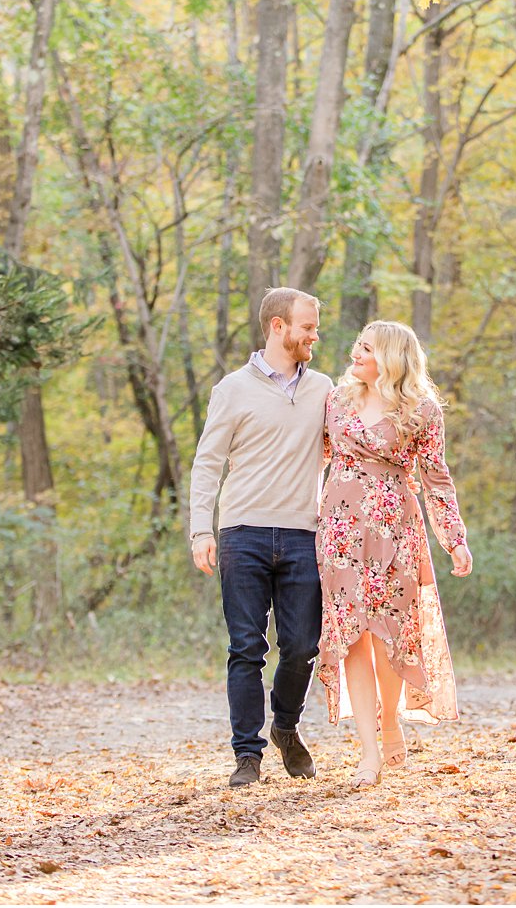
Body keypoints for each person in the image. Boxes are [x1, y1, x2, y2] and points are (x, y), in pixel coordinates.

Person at [316, 320, 472, 788]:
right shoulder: (336, 401)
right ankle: (368, 750)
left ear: (391, 358)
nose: (355, 354)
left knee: (390, 633)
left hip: (394, 530)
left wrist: (454, 538)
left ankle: (389, 722)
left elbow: (436, 478)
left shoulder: (421, 412)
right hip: (340, 529)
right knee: (351, 634)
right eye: (357, 346)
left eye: (366, 348)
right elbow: (312, 458)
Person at [189, 287, 332, 788]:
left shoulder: (324, 389)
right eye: (307, 326)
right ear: (278, 326)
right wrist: (198, 531)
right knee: (246, 646)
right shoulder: (232, 388)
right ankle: (246, 755)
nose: (315, 334)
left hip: (302, 534)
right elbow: (207, 461)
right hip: (241, 532)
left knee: (301, 646)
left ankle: (286, 728)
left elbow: (350, 447)